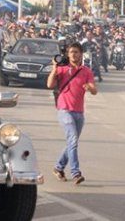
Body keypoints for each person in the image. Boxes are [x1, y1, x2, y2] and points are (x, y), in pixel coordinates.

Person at [47, 42, 97, 185]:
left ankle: (58, 167)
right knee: (73, 140)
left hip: (79, 113)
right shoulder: (62, 69)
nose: (74, 54)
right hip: (64, 110)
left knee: (71, 142)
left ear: (81, 54)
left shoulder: (86, 71)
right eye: (71, 52)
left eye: (76, 52)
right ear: (67, 54)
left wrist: (89, 87)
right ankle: (76, 172)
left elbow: (94, 90)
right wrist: (54, 69)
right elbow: (49, 85)